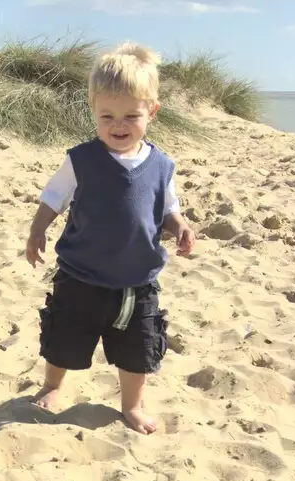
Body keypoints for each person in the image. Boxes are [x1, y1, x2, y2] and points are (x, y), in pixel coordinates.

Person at [23, 43, 195, 435]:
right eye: (107, 116)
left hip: (137, 281)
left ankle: (131, 406)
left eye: (131, 116)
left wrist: (180, 227)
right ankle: (52, 385)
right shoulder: (82, 159)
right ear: (92, 110)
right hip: (80, 274)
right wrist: (37, 230)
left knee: (138, 347)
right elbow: (54, 197)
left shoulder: (161, 165)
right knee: (64, 335)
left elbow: (168, 207)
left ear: (152, 111)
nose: (118, 125)